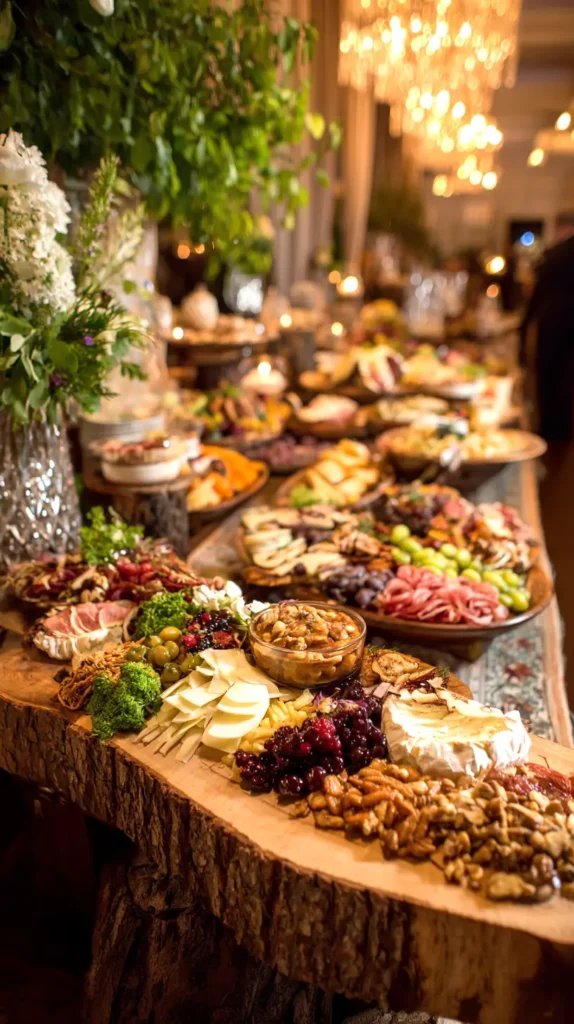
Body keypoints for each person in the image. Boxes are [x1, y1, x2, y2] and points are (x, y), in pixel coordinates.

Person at [521, 213, 574, 441]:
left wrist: (524, 328)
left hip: (552, 323)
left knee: (548, 377)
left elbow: (535, 297)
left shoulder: (551, 255)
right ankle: (564, 430)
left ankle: (549, 431)